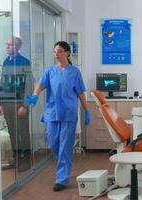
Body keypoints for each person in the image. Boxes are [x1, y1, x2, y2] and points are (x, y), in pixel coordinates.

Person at [26, 41, 90, 192]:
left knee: (65, 147)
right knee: (54, 144)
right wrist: (35, 95)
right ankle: (64, 166)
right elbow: (40, 85)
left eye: (60, 51)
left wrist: (87, 111)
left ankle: (61, 178)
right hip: (52, 113)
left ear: (67, 53)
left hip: (69, 113)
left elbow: (80, 93)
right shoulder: (49, 71)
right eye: (55, 51)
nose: (57, 54)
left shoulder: (75, 72)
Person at [0, 36, 32, 172]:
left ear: (18, 47)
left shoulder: (24, 62)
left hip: (20, 103)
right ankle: (16, 158)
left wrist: (25, 105)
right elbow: (2, 83)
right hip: (7, 103)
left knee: (22, 132)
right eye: (6, 44)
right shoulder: (6, 61)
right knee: (12, 131)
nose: (7, 47)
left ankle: (26, 161)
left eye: (10, 45)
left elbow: (29, 85)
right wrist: (0, 103)